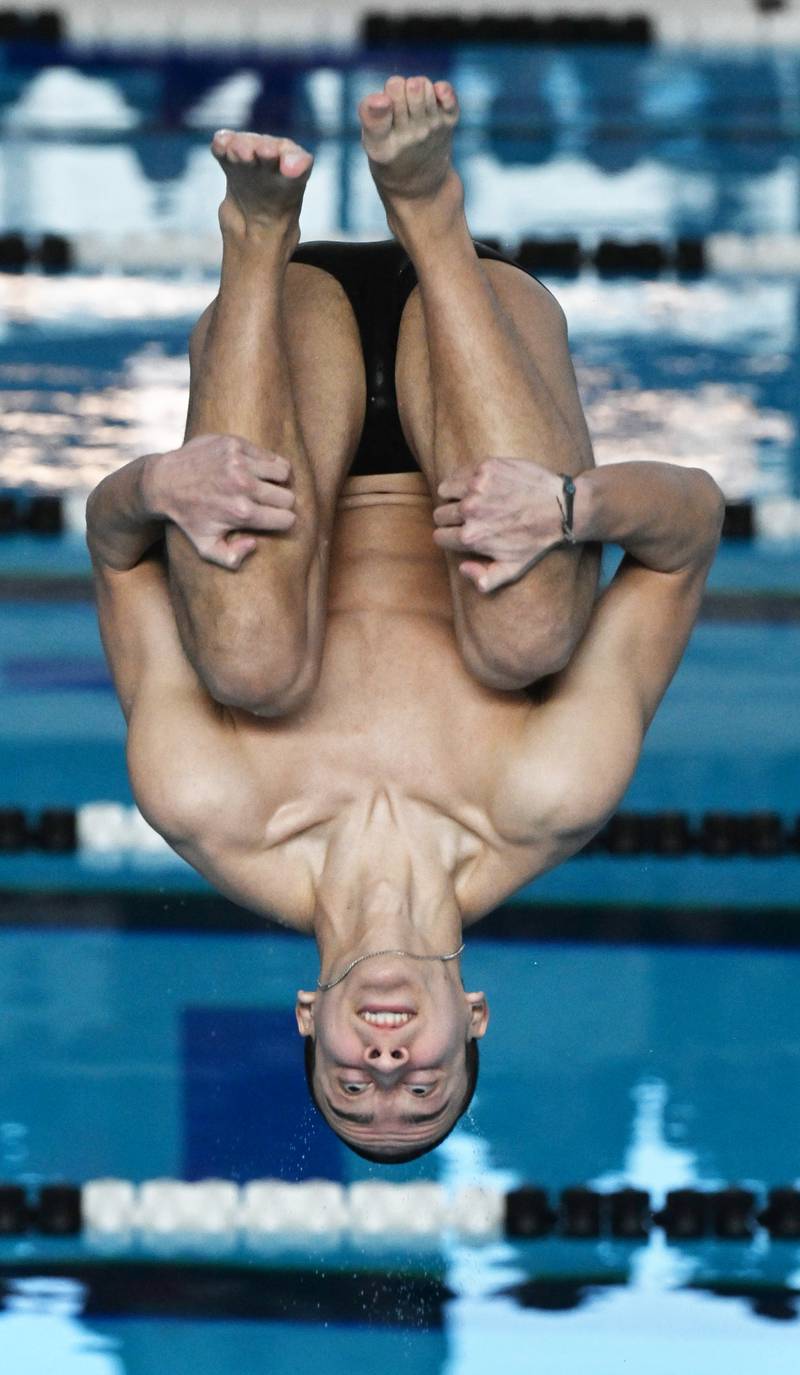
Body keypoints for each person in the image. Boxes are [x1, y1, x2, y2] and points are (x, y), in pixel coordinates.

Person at [86, 75, 725, 1163]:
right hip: (470, 340)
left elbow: (112, 543)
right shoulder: (543, 799)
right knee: (525, 635)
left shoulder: (209, 806)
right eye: (423, 1092)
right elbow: (691, 529)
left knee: (248, 661)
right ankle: (426, 204)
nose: (387, 1070)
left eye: (352, 1086)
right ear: (472, 1019)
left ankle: (251, 234)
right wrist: (570, 508)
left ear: (307, 1017)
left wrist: (158, 486)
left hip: (282, 349)